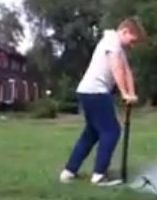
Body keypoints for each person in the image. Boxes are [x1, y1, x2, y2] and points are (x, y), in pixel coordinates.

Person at [59, 17, 145, 186]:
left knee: (91, 134)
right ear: (125, 31)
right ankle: (99, 176)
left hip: (89, 91)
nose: (132, 45)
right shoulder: (111, 42)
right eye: (132, 41)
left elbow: (126, 71)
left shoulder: (118, 46)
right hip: (95, 91)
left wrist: (132, 93)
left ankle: (68, 172)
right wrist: (124, 94)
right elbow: (116, 69)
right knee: (111, 131)